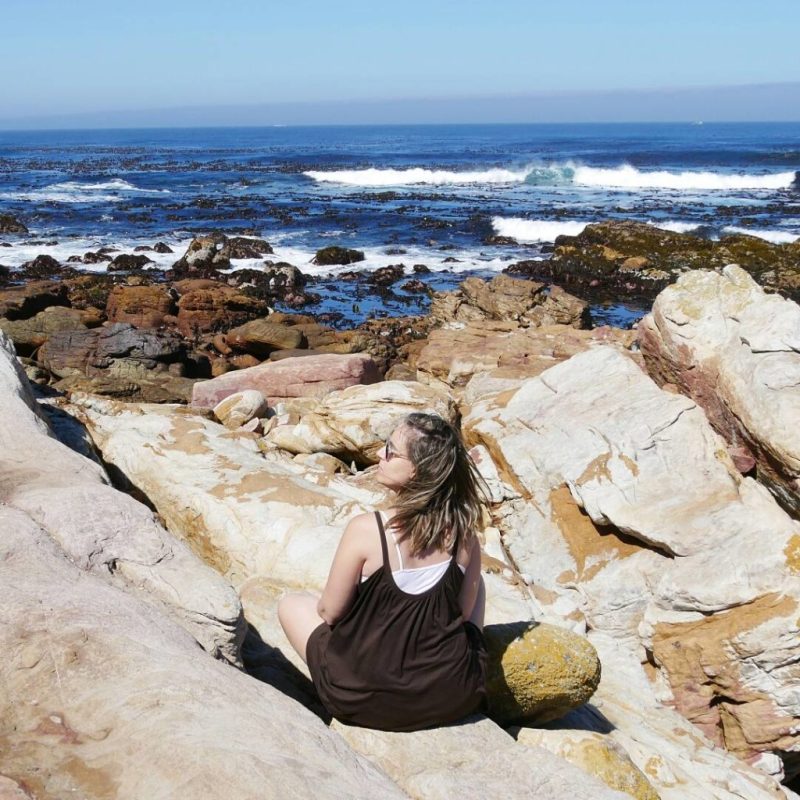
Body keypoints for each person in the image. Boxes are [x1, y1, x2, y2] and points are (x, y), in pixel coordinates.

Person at [278, 412, 488, 732]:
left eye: (389, 451)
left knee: (293, 604)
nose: (379, 455)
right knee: (477, 584)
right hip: (447, 699)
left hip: (361, 701)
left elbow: (330, 612)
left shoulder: (368, 529)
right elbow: (460, 614)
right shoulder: (465, 535)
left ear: (416, 471)